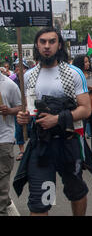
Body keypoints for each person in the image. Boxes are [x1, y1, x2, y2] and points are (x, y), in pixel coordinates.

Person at [13, 27, 92, 216]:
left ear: (59, 45)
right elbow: (27, 111)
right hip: (42, 147)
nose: (47, 46)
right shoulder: (28, 76)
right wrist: (22, 117)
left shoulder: (73, 73)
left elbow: (86, 109)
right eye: (42, 42)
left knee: (76, 192)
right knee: (41, 201)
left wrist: (57, 119)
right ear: (36, 45)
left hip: (68, 144)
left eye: (51, 41)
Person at [73, 55, 92, 164]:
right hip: (80, 107)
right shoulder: (75, 75)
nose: (87, 64)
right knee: (81, 131)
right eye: (85, 62)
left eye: (88, 61)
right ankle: (84, 154)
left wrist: (91, 88)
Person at [0, 70, 22, 216]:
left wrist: (9, 110)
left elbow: (21, 107)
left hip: (4, 139)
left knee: (2, 178)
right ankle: (6, 202)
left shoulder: (9, 85)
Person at [9, 58, 31, 161]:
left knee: (33, 129)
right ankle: (22, 151)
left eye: (21, 67)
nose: (18, 69)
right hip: (18, 109)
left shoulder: (30, 78)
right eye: (17, 66)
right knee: (18, 131)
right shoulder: (12, 81)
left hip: (30, 107)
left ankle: (33, 150)